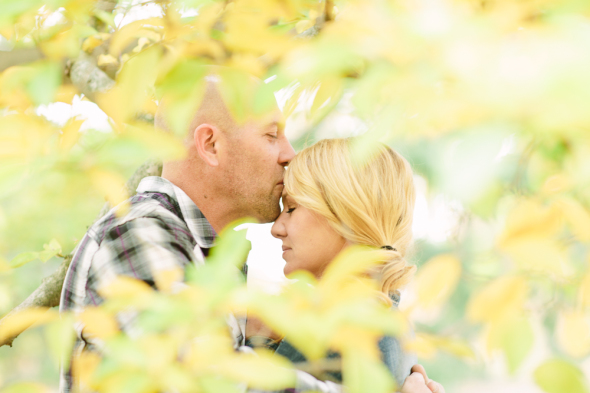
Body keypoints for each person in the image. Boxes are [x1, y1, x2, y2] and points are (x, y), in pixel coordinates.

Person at [59, 71, 441, 393]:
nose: (289, 153)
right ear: (210, 145)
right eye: (271, 135)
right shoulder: (137, 233)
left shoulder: (212, 263)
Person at [254, 138, 444, 393]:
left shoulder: (344, 323)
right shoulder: (385, 320)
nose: (277, 229)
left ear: (346, 214)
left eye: (291, 208)